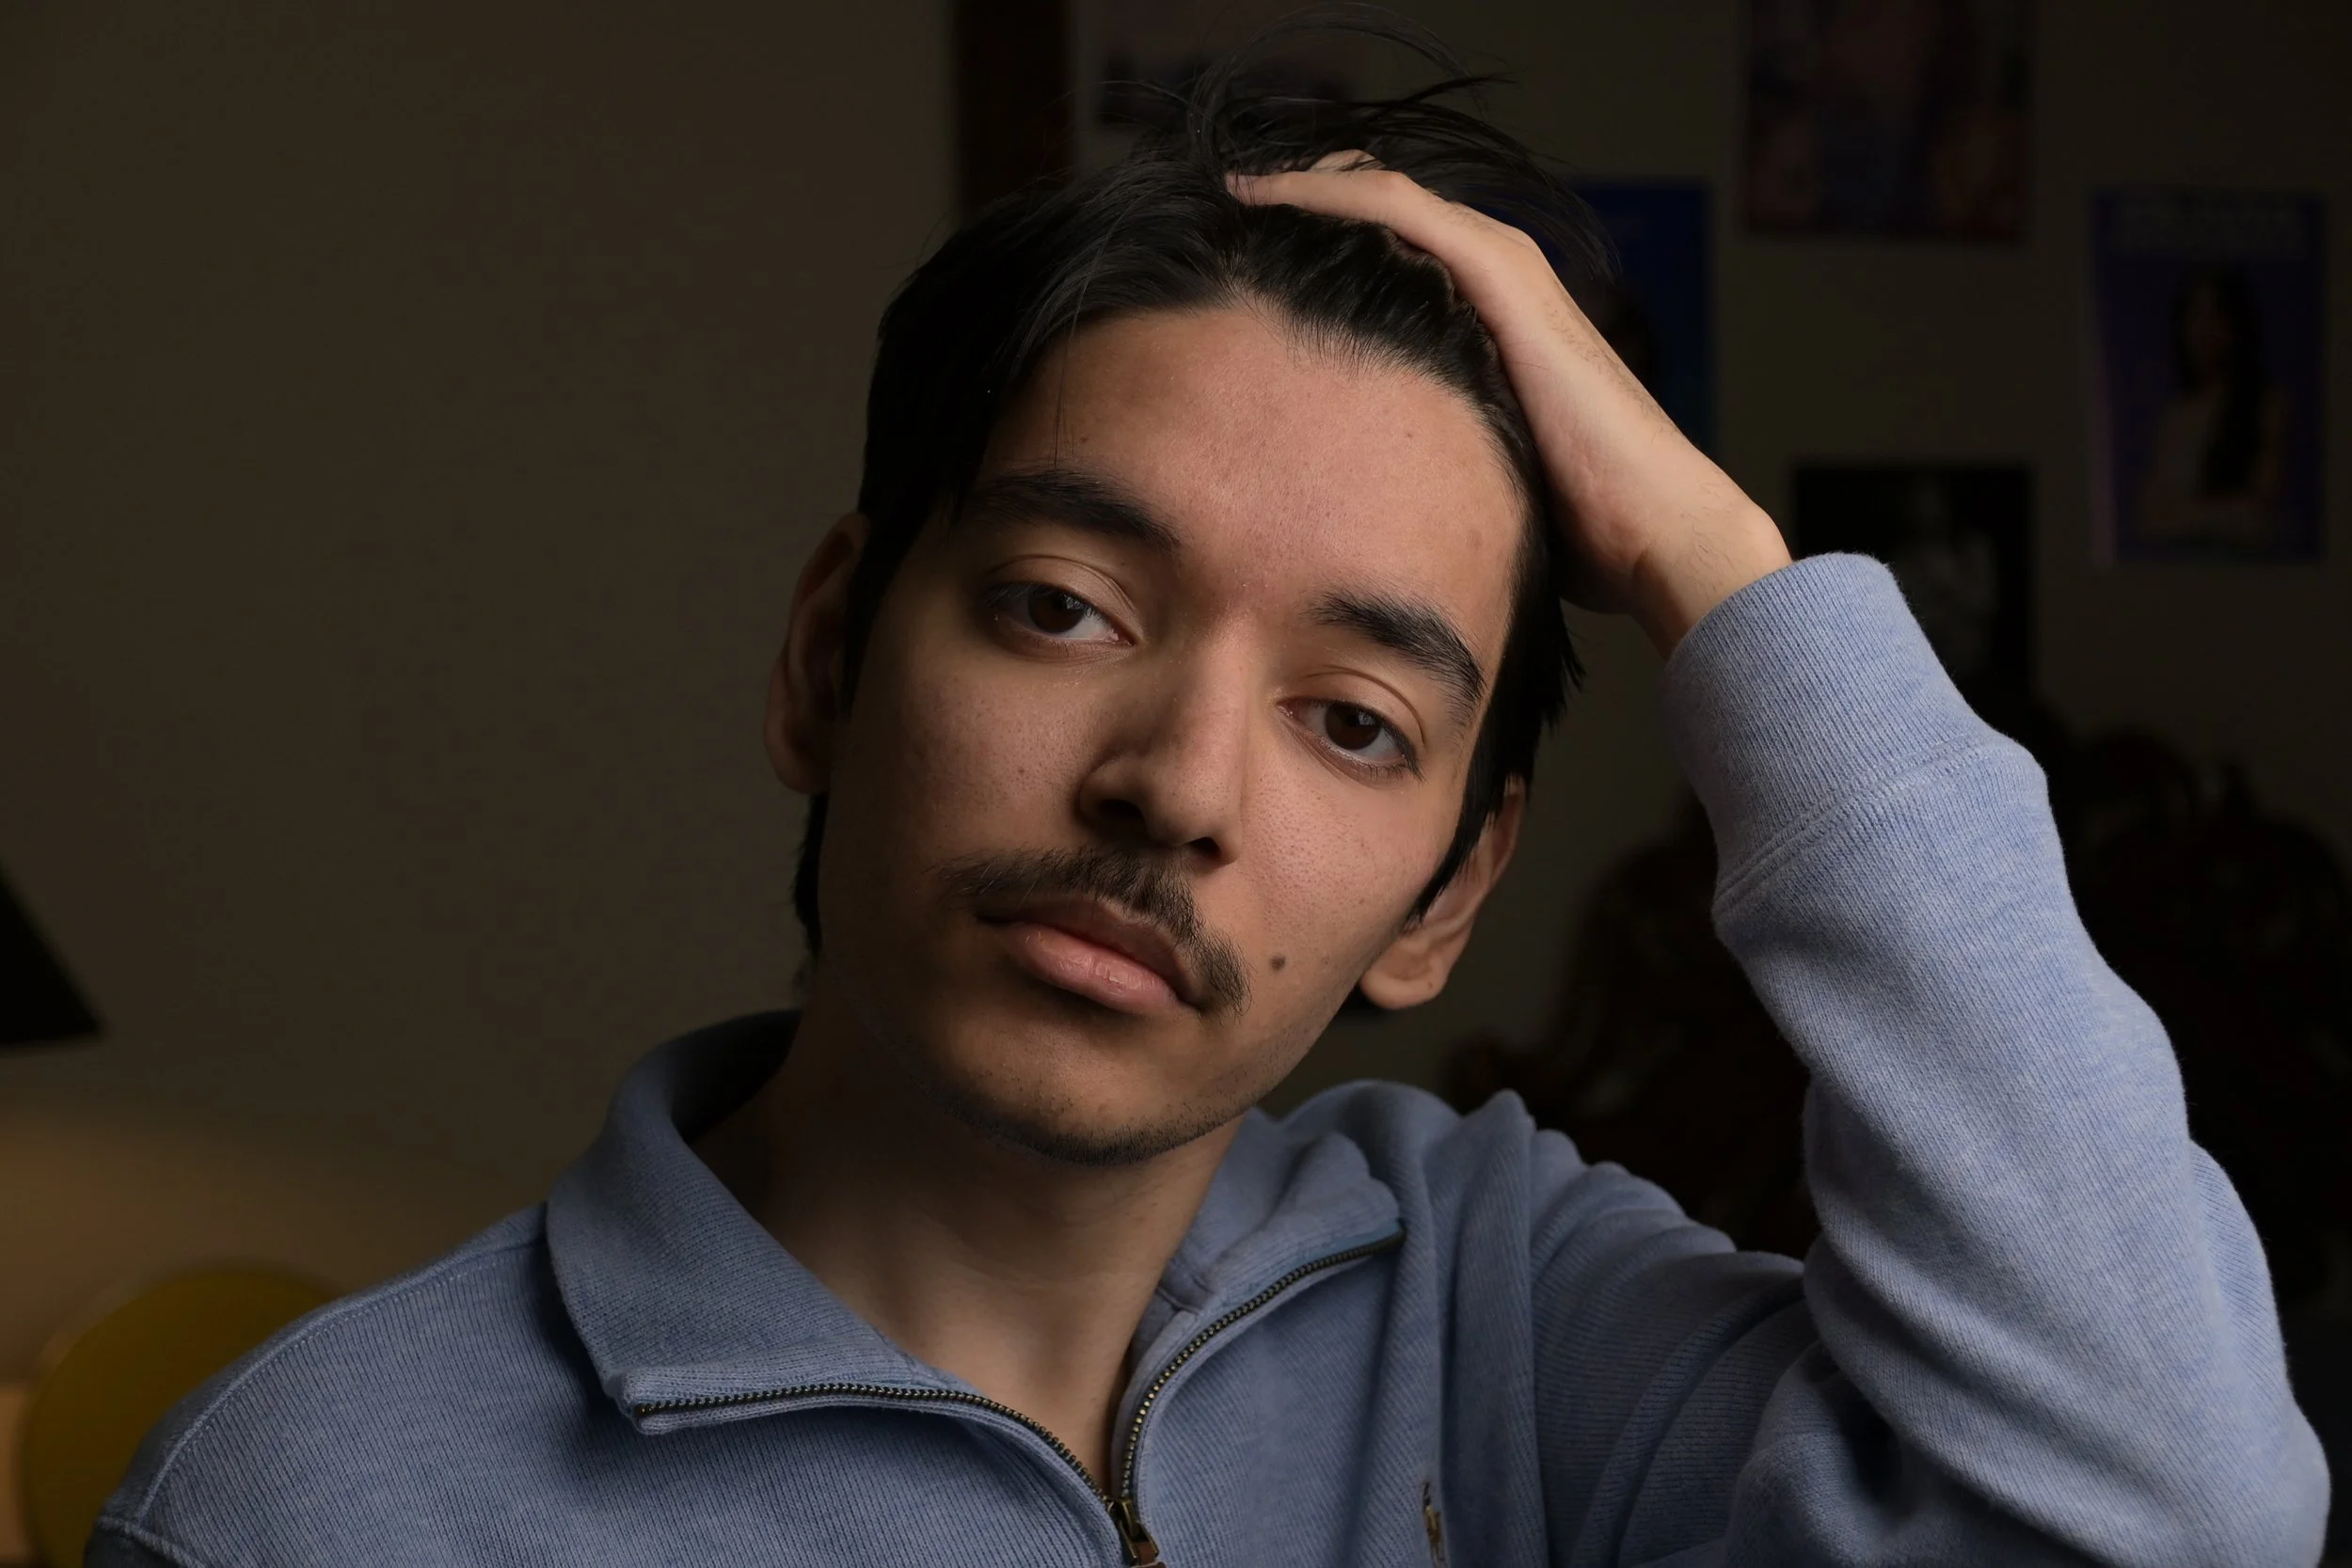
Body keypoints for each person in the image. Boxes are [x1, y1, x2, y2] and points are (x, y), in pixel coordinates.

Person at [93, 37, 2326, 1568]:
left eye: (1352, 718)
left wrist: (1721, 579)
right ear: (824, 656)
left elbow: (2166, 1502)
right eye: (1064, 605)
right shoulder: (329, 1497)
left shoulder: (1494, 1306)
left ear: (1448, 891)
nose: (1172, 785)